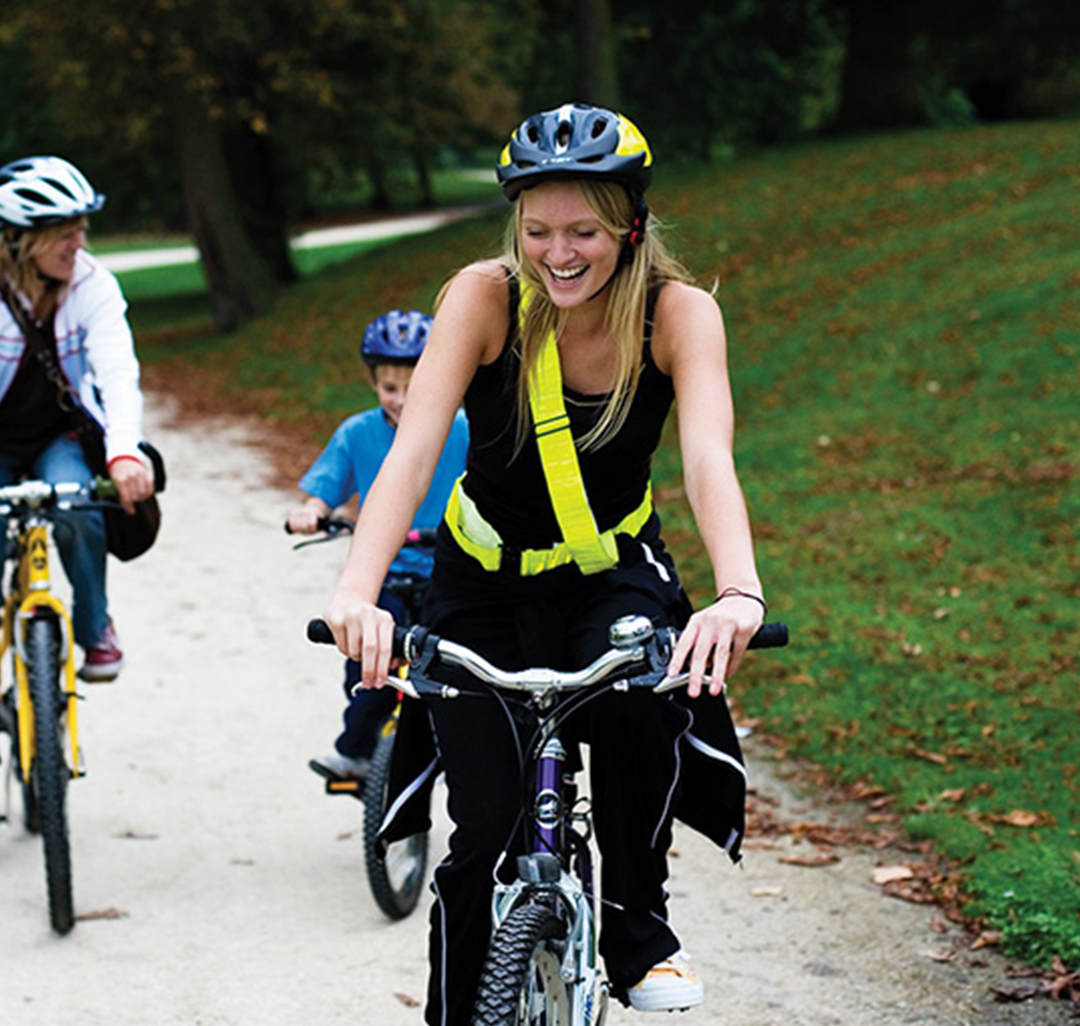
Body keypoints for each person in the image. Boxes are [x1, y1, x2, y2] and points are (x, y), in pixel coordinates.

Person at [321, 103, 769, 1023]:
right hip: (480, 578)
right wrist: (357, 594)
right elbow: (410, 458)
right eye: (537, 232)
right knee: (482, 831)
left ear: (631, 227)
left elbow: (708, 460)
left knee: (651, 696)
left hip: (611, 570)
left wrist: (738, 594)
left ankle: (639, 931)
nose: (557, 254)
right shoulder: (484, 297)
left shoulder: (678, 316)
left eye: (584, 233)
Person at [0, 155, 155, 688]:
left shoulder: (93, 286)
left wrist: (125, 451)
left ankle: (96, 625)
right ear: (20, 239)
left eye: (82, 229)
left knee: (79, 504)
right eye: (65, 233)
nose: (79, 243)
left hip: (58, 439)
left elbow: (118, 373)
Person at [286, 309, 469, 779]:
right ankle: (358, 752)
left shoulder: (465, 429)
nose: (402, 401)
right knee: (367, 667)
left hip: (453, 573)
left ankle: (468, 755)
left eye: (414, 387)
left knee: (458, 670)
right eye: (390, 388)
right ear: (373, 383)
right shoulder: (357, 433)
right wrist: (312, 510)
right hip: (386, 571)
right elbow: (325, 488)